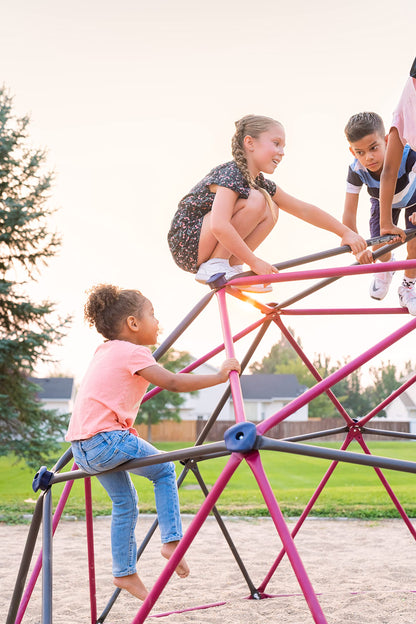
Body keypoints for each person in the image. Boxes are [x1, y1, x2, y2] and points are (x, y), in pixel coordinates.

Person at [66, 284, 240, 601]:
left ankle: (124, 572)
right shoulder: (134, 351)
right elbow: (171, 381)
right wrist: (219, 376)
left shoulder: (103, 351)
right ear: (133, 323)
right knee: (164, 470)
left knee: (125, 503)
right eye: (152, 314)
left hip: (82, 447)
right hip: (107, 439)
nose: (157, 321)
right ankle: (172, 540)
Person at [168, 114, 367, 294]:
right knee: (256, 199)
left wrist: (344, 232)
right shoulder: (231, 173)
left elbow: (303, 209)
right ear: (250, 143)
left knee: (271, 207)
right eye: (276, 143)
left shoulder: (260, 182)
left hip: (205, 240)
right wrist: (254, 262)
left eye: (283, 146)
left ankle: (232, 267)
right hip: (188, 241)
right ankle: (216, 264)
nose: (281, 152)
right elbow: (219, 225)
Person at [343, 110, 416, 312]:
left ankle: (408, 287)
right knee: (380, 249)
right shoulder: (357, 170)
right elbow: (349, 213)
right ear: (352, 151)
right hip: (382, 203)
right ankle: (386, 268)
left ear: (386, 140)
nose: (369, 157)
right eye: (360, 152)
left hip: (414, 199)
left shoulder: (409, 155)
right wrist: (358, 248)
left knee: (415, 247)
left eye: (374, 148)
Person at [379, 57, 416, 314]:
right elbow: (389, 170)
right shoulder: (406, 102)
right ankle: (405, 283)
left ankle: (408, 283)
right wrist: (385, 223)